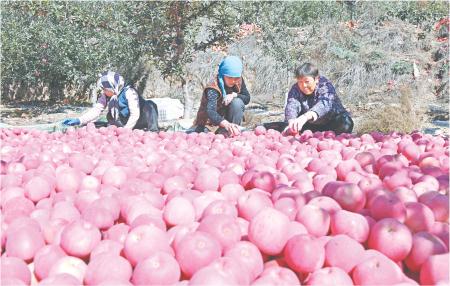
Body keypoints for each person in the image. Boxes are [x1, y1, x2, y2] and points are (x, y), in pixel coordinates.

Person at [265, 63, 353, 135]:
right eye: (300, 82)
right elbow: (292, 105)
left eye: (307, 81)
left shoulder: (325, 85)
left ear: (316, 79)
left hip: (331, 123)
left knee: (346, 122)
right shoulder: (295, 88)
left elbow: (325, 104)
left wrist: (305, 117)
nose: (303, 86)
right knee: (276, 126)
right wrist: (291, 122)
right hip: (309, 126)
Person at [63, 71, 159, 131]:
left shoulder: (129, 92)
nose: (103, 91)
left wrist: (126, 131)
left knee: (150, 105)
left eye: (105, 89)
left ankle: (153, 130)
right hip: (122, 122)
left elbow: (135, 114)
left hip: (139, 121)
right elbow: (97, 110)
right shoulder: (108, 95)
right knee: (94, 124)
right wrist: (79, 120)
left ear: (112, 87)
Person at [193, 56, 250, 137]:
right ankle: (226, 130)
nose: (233, 81)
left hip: (227, 120)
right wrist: (226, 124)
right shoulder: (213, 86)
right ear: (223, 75)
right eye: (230, 77)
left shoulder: (239, 80)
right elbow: (210, 111)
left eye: (236, 78)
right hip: (209, 123)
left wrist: (234, 95)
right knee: (207, 137)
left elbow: (247, 98)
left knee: (237, 102)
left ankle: (233, 130)